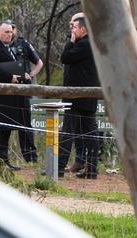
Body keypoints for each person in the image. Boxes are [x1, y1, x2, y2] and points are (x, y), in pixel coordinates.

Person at [0, 21, 30, 171]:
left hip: (10, 97)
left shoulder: (9, 48)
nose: (9, 35)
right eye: (6, 32)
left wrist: (22, 75)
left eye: (11, 32)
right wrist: (10, 78)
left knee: (7, 129)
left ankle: (5, 161)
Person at [58, 13, 100, 179]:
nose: (72, 30)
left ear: (83, 29)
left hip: (77, 99)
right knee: (90, 134)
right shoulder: (86, 43)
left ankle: (58, 168)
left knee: (68, 133)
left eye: (74, 27)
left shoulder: (84, 44)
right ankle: (92, 170)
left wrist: (70, 42)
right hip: (86, 99)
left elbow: (65, 57)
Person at [9, 21, 43, 162]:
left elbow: (39, 63)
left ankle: (30, 157)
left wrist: (32, 74)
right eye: (7, 29)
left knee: (25, 124)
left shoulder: (23, 44)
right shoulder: (0, 46)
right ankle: (3, 158)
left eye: (12, 29)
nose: (10, 32)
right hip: (7, 89)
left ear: (15, 30)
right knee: (6, 124)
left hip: (23, 88)